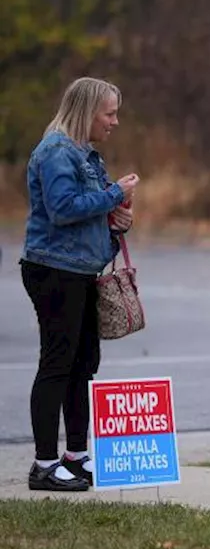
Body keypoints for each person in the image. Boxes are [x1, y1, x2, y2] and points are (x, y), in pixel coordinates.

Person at [21, 77, 140, 492]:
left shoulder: (88, 156)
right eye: (109, 113)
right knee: (57, 362)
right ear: (86, 111)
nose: (115, 121)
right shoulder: (55, 151)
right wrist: (111, 195)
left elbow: (87, 215)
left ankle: (75, 455)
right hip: (53, 270)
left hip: (81, 270)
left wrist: (116, 221)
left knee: (83, 363)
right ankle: (44, 464)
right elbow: (62, 209)